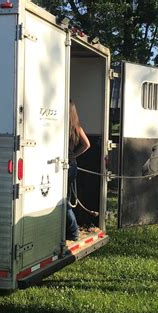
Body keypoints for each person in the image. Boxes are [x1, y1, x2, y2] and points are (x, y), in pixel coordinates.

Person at [66, 100, 90, 241]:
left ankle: (74, 232)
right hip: (72, 164)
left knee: (63, 202)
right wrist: (74, 155)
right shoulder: (76, 127)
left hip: (65, 165)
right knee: (66, 199)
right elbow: (87, 144)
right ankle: (71, 232)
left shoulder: (62, 127)